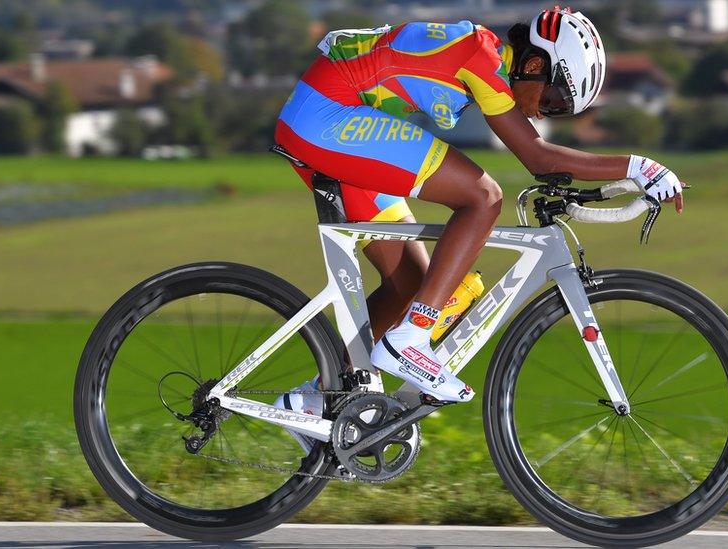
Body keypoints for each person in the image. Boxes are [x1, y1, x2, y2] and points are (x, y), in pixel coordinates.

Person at [273, 7, 684, 430]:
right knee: (483, 197)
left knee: (411, 283)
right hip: (329, 115)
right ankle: (410, 338)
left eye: (558, 110)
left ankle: (318, 398)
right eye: (553, 99)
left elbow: (541, 158)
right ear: (535, 64)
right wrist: (640, 167)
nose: (545, 113)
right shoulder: (479, 57)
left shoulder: (485, 62)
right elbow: (538, 157)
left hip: (324, 118)